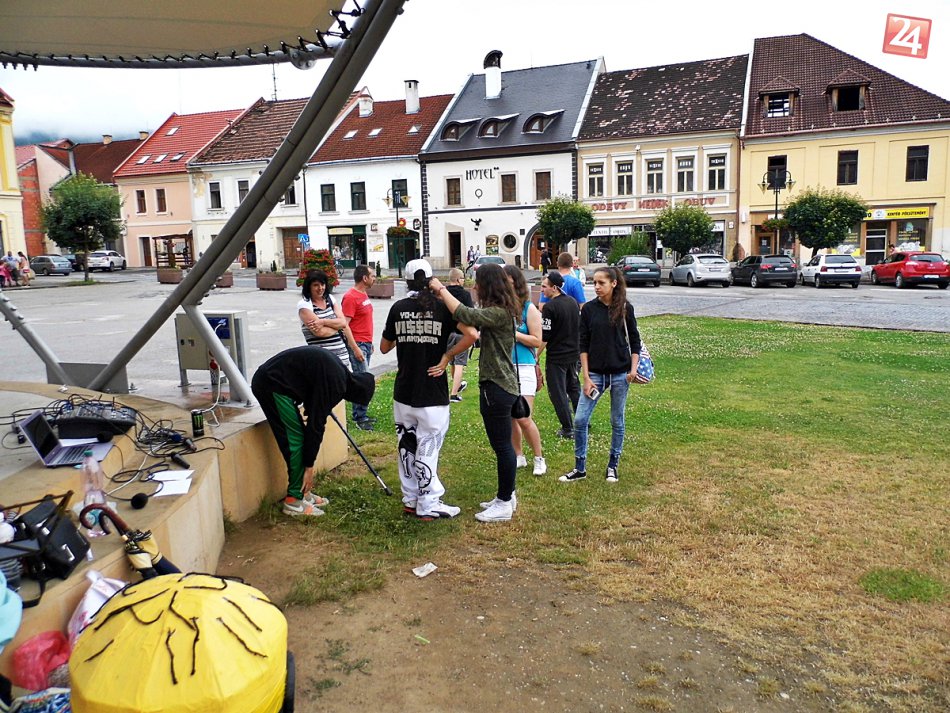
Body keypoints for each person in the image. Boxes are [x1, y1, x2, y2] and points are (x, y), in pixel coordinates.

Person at [380, 259, 477, 520]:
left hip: (404, 390)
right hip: (432, 390)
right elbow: (472, 335)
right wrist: (447, 357)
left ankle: (411, 498)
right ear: (431, 280)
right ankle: (429, 502)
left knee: (406, 446)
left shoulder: (398, 308)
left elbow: (384, 347)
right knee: (428, 447)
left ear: (407, 281)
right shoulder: (441, 308)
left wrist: (407, 333)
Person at [429, 263, 521, 523]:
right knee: (503, 445)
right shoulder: (502, 310)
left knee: (502, 446)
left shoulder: (498, 312)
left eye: (478, 282)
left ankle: (504, 503)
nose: (475, 287)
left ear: (488, 285)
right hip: (502, 386)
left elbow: (464, 313)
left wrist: (440, 289)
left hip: (497, 386)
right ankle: (507, 495)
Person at [251, 346, 375, 517]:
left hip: (275, 380)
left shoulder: (341, 375)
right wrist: (309, 466)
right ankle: (293, 501)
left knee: (301, 440)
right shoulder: (336, 384)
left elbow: (312, 386)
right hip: (271, 384)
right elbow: (315, 426)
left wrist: (316, 406)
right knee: (296, 441)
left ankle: (303, 493)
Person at [560, 266, 641, 485]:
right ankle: (580, 468)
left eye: (601, 283)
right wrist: (586, 377)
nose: (596, 287)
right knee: (580, 419)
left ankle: (613, 465)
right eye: (594, 282)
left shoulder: (625, 308)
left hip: (621, 374)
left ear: (614, 283)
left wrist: (633, 370)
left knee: (617, 420)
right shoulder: (588, 309)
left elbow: (635, 341)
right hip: (595, 374)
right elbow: (583, 344)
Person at [503, 264, 546, 476]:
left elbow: (537, 340)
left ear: (517, 283)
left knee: (524, 416)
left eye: (508, 282)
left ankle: (539, 458)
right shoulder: (501, 307)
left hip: (524, 366)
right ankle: (518, 455)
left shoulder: (529, 308)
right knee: (511, 416)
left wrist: (515, 334)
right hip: (504, 367)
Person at [537, 271, 581, 439]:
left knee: (558, 393)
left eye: (544, 287)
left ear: (554, 288)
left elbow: (545, 336)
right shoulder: (572, 302)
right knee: (574, 388)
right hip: (573, 354)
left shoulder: (549, 308)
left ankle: (568, 428)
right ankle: (583, 421)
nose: (542, 290)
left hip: (557, 357)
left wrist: (536, 355)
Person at [297, 270, 357, 369]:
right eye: (316, 285)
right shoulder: (304, 305)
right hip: (323, 361)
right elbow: (320, 332)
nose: (320, 288)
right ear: (309, 287)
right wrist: (337, 326)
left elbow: (343, 323)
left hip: (342, 359)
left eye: (322, 284)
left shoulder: (330, 299)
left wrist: (323, 322)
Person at [342, 265, 376, 431]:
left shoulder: (363, 294)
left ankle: (362, 413)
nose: (374, 278)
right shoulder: (350, 297)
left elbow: (364, 320)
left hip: (366, 343)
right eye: (372, 275)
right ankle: (360, 417)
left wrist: (370, 343)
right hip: (358, 344)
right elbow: (344, 326)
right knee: (362, 381)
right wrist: (355, 348)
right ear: (364, 278)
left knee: (364, 378)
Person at [444, 268, 474, 402]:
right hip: (462, 333)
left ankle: (457, 384)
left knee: (451, 360)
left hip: (447, 333)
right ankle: (454, 394)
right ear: (457, 279)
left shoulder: (444, 293)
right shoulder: (465, 295)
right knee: (460, 363)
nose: (463, 281)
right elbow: (470, 313)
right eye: (462, 278)